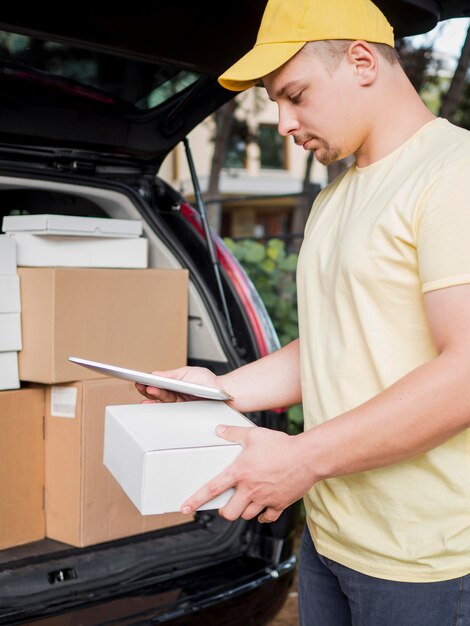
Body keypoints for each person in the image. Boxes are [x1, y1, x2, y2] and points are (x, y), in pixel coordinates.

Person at [136, 0, 470, 623]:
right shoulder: (338, 195)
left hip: (431, 561)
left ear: (363, 62)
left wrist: (301, 458)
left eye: (295, 95)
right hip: (333, 536)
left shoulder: (454, 174)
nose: (284, 122)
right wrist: (221, 389)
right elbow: (332, 342)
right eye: (275, 103)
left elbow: (465, 374)